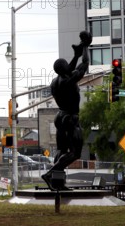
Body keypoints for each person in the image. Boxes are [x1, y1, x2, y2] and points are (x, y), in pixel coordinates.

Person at [41, 31, 92, 190]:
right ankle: (50, 174)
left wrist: (75, 56)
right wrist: (85, 47)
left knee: (62, 149)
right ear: (64, 70)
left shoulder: (55, 82)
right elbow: (84, 66)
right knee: (75, 152)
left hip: (60, 116)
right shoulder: (69, 81)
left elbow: (70, 68)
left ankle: (57, 182)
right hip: (71, 117)